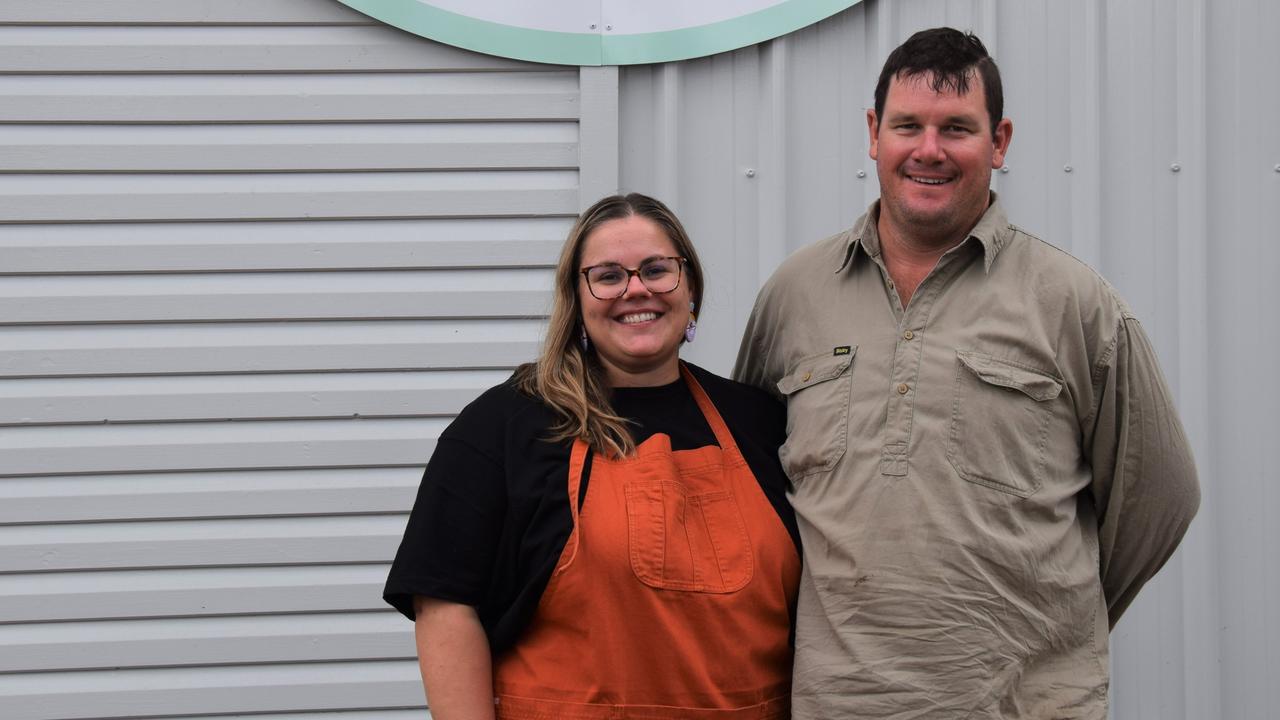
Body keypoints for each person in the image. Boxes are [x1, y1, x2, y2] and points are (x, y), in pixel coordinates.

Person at [733, 27, 1200, 719]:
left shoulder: (1072, 302)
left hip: (1021, 704)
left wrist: (1050, 626)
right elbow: (745, 491)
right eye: (907, 125)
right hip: (836, 702)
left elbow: (1160, 497)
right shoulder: (796, 294)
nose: (929, 149)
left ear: (999, 141)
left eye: (957, 127)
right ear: (873, 133)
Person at [385, 193, 801, 719]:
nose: (636, 289)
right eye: (607, 276)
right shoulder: (507, 427)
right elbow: (443, 604)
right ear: (577, 297)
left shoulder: (759, 422)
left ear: (689, 285)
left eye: (657, 269)